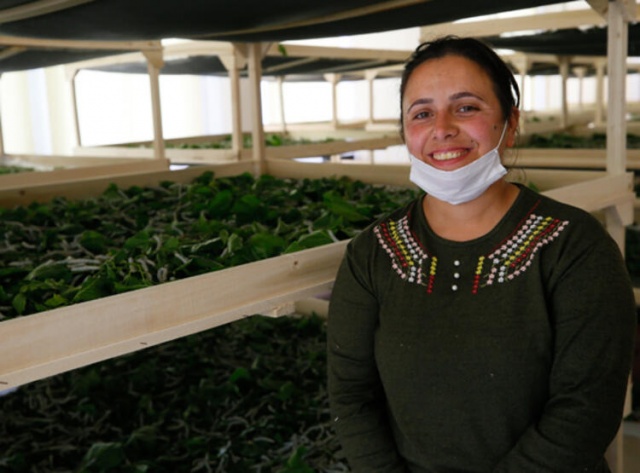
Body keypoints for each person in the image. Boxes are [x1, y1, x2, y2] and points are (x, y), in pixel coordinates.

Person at [327, 35, 637, 473]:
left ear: (510, 124)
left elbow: (586, 407)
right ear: (405, 134)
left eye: (466, 107)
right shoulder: (373, 253)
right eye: (422, 113)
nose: (443, 128)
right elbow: (351, 396)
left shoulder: (574, 245)